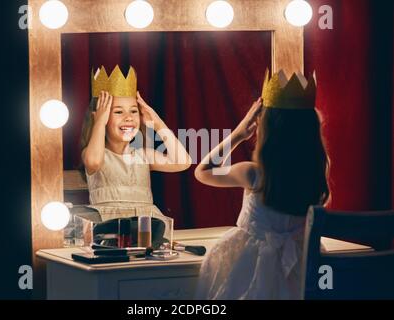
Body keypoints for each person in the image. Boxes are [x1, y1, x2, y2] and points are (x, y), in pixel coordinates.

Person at [194, 70, 330, 300]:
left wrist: (237, 135)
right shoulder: (316, 176)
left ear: (267, 130)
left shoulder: (252, 174)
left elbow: (202, 172)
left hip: (249, 271)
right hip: (302, 267)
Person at [80, 65, 191, 233]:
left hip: (147, 230)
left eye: (133, 111)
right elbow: (93, 161)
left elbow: (183, 162)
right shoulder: (97, 154)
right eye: (118, 112)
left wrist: (157, 122)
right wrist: (99, 122)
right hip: (110, 229)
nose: (129, 117)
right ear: (99, 117)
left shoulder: (143, 155)